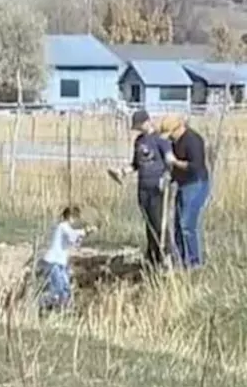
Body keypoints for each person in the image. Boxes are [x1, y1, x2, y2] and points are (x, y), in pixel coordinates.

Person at [106, 110, 172, 267]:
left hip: (157, 186)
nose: (137, 129)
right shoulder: (139, 141)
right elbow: (136, 164)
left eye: (138, 125)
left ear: (147, 122)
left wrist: (167, 177)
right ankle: (152, 255)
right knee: (148, 222)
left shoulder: (160, 140)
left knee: (158, 222)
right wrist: (122, 172)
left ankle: (166, 254)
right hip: (143, 186)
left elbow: (169, 161)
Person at [159, 115, 210, 269]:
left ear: (178, 128)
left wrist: (175, 163)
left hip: (196, 184)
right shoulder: (175, 142)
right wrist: (169, 175)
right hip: (182, 185)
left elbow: (195, 166)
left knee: (187, 224)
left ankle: (194, 263)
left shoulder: (193, 140)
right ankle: (181, 261)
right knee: (177, 226)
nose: (170, 138)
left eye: (170, 134)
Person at [38, 205, 94, 313]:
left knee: (65, 288)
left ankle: (64, 309)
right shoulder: (62, 227)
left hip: (60, 263)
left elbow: (73, 241)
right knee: (57, 289)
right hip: (53, 262)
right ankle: (42, 305)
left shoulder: (65, 228)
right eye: (75, 218)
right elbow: (72, 235)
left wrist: (84, 235)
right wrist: (85, 231)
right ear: (71, 217)